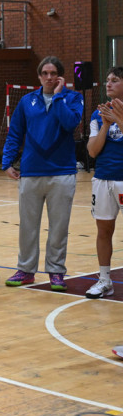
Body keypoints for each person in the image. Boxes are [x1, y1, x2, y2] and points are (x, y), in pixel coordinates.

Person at [1, 56, 84, 290]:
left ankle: (56, 271)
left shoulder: (73, 98)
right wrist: (7, 162)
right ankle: (26, 270)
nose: (49, 77)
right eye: (45, 73)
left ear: (60, 77)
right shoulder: (26, 101)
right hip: (31, 172)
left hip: (62, 172)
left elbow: (70, 124)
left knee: (59, 227)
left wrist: (58, 97)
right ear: (39, 76)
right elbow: (15, 133)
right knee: (28, 226)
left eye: (53, 73)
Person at [85, 68, 123, 299]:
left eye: (115, 80)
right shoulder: (98, 115)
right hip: (103, 179)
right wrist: (106, 125)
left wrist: (118, 118)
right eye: (107, 80)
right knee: (104, 230)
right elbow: (92, 151)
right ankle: (105, 280)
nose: (108, 84)